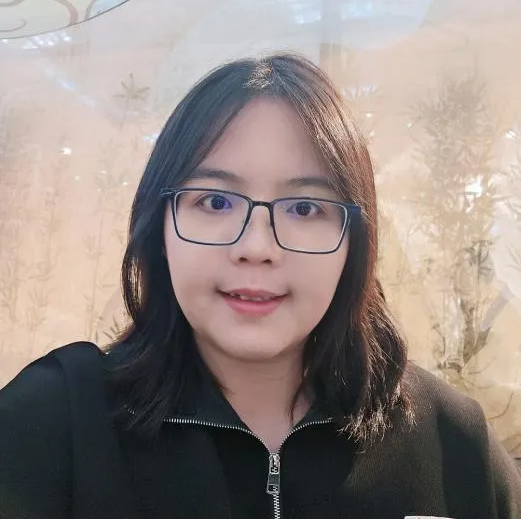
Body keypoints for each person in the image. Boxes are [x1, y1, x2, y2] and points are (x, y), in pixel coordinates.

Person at [0, 53, 520, 519]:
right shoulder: (51, 423)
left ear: (355, 242)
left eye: (304, 208)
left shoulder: (452, 440)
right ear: (159, 228)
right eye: (215, 201)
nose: (256, 246)